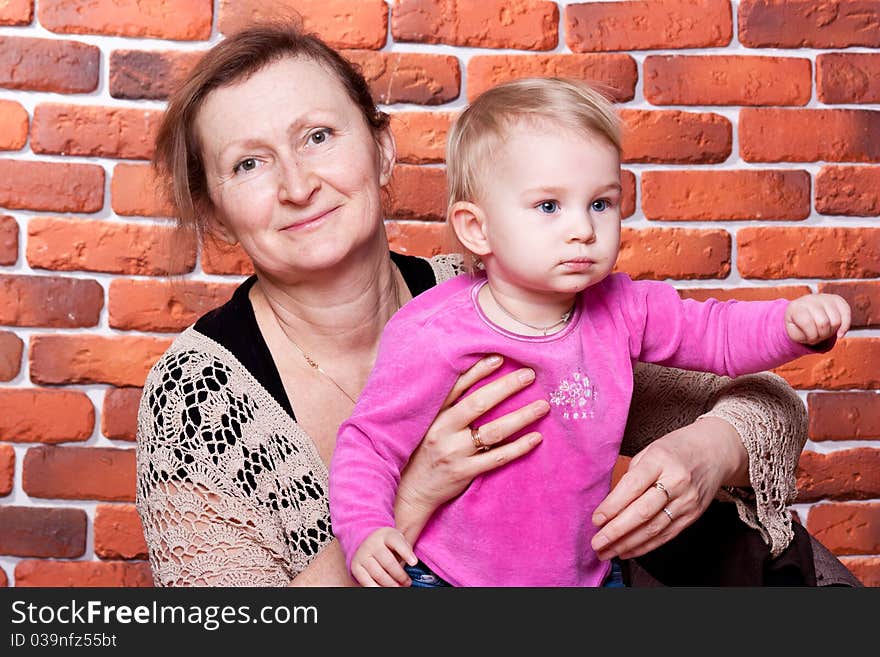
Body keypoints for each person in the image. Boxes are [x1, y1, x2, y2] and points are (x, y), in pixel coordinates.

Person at [134, 23, 847, 587]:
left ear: (381, 152)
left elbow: (767, 403)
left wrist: (708, 450)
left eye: (318, 136)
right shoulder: (197, 400)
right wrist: (408, 500)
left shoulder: (506, 290)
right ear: (217, 212)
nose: (297, 184)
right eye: (248, 163)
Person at [328, 78, 851, 587]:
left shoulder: (623, 308)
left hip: (587, 575)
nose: (583, 228)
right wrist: (366, 529)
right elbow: (370, 443)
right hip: (450, 578)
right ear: (477, 228)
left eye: (600, 203)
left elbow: (716, 333)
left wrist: (789, 325)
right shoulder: (434, 331)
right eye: (549, 206)